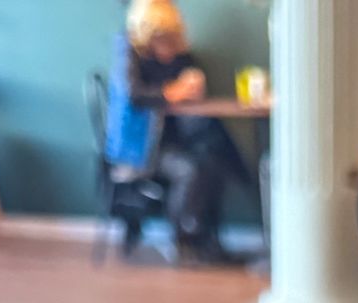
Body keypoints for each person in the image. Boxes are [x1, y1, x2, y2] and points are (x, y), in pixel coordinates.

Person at [105, 0, 251, 262]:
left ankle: (208, 239)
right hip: (142, 148)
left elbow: (192, 78)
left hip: (175, 140)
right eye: (161, 39)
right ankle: (182, 240)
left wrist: (193, 85)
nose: (167, 45)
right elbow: (134, 95)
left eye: (172, 38)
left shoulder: (180, 56)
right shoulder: (130, 52)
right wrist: (170, 92)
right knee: (190, 169)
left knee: (215, 159)